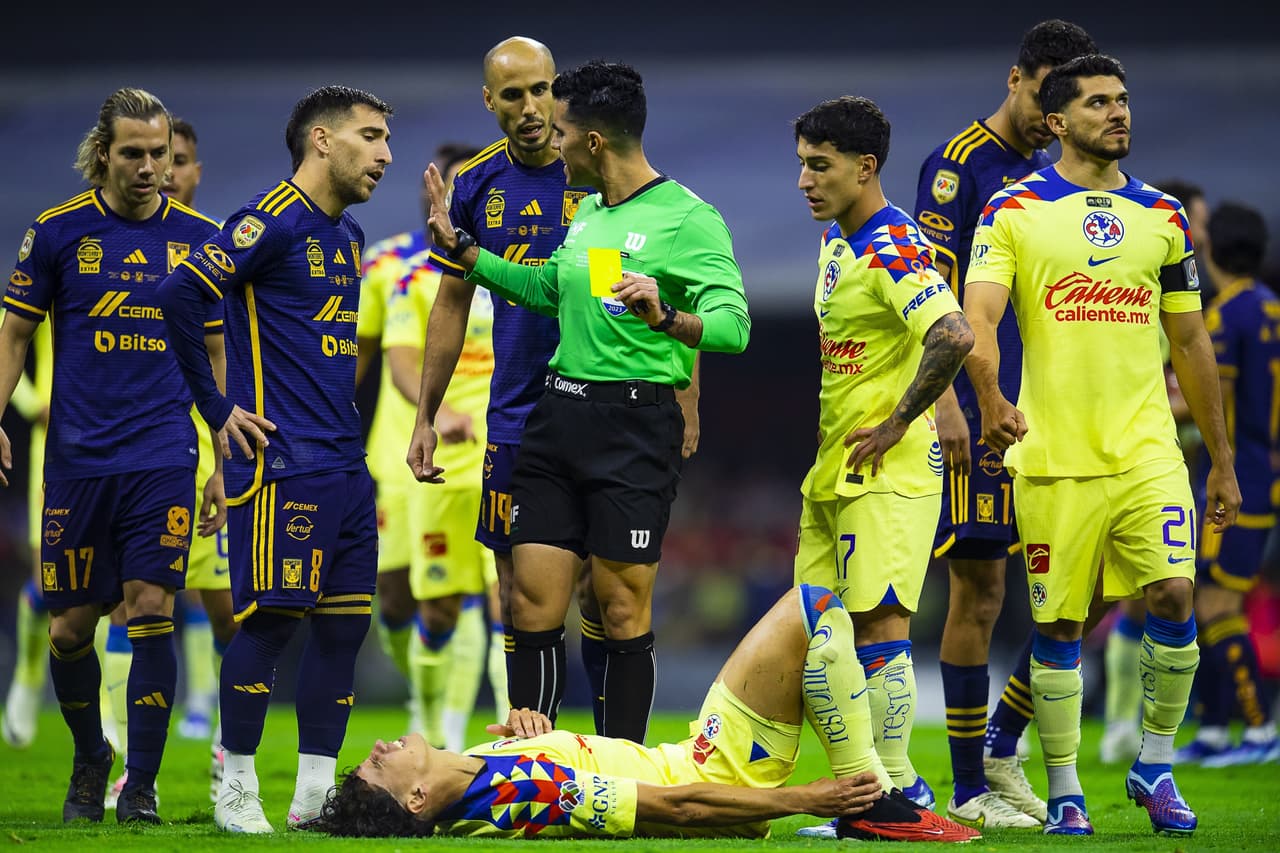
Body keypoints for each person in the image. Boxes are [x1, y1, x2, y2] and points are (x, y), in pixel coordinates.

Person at [410, 58, 747, 745]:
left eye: (562, 131)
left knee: (620, 606)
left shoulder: (688, 219)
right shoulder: (591, 215)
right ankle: (532, 758)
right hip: (556, 418)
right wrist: (466, 253)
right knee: (530, 598)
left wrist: (666, 318)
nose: (550, 142)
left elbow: (733, 324)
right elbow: (549, 292)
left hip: (633, 426)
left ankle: (619, 765)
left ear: (594, 142)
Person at [963, 53, 1242, 836]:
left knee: (1175, 595)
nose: (1118, 113)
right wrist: (990, 399)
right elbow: (977, 314)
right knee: (1060, 625)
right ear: (1057, 122)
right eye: (1097, 103)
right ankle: (1065, 790)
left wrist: (1219, 460)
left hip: (1149, 449)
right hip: (1053, 452)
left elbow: (1189, 339)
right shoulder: (1011, 210)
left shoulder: (1161, 216)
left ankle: (1155, 764)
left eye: (1122, 100)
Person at [158, 84, 393, 833]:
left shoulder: (349, 235)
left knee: (344, 629)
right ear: (322, 140)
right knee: (268, 624)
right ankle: (235, 787)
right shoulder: (269, 221)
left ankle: (315, 794)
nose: (386, 154)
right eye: (371, 136)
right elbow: (177, 293)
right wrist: (217, 408)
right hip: (282, 463)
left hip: (347, 467)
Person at [318, 584, 978, 842]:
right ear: (415, 799)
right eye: (381, 769)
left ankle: (870, 801)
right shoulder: (525, 794)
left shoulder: (483, 775)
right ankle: (870, 803)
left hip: (702, 753)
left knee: (816, 618)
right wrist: (807, 796)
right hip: (721, 775)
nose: (378, 749)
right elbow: (677, 809)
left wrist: (540, 734)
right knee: (817, 609)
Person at [0, 87, 221, 824]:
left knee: (152, 608)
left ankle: (142, 786)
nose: (151, 166)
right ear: (104, 154)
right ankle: (92, 751)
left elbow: (219, 351)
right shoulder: (58, 233)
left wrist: (223, 450)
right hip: (77, 458)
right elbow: (14, 335)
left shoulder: (199, 238)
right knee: (68, 627)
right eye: (134, 153)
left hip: (163, 454)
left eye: (160, 153)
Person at [914, 19, 1096, 828]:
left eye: (1070, 101)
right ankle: (968, 785)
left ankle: (1002, 739)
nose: (1055, 113)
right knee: (982, 589)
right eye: (1046, 92)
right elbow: (934, 294)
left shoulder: (1063, 174)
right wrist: (949, 403)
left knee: (1077, 595)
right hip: (982, 413)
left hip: (1057, 407)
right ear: (1017, 78)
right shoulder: (957, 170)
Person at [789, 95, 974, 838]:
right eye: (802, 163)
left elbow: (954, 333)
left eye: (819, 165)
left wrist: (900, 420)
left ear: (865, 168)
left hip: (889, 469)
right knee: (818, 628)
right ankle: (865, 795)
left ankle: (897, 791)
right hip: (833, 467)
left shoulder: (892, 242)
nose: (803, 179)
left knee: (879, 624)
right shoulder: (838, 240)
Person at [100, 114, 234, 809]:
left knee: (228, 612)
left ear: (194, 170)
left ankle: (226, 748)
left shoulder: (214, 247)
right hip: (138, 456)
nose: (167, 171)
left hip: (202, 451)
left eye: (177, 159)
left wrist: (224, 461)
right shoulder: (106, 242)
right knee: (132, 608)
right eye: (154, 157)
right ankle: (127, 761)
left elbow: (228, 360)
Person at [364, 142, 506, 752]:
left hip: (505, 456)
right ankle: (428, 710)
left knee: (510, 602)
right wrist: (435, 412)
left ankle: (507, 731)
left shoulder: (513, 269)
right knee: (422, 603)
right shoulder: (408, 275)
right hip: (426, 465)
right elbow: (392, 362)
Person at [1099, 178, 1210, 765]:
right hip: (1133, 459)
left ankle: (1153, 733)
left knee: (1169, 594)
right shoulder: (1134, 298)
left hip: (1177, 463)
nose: (1200, 234)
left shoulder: (1187, 299)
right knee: (1132, 599)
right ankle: (1122, 724)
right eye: (1195, 222)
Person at [1173, 201, 1280, 766]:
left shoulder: (1224, 316)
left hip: (1234, 479)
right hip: (1267, 474)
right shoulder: (1271, 308)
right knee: (1207, 596)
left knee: (1216, 604)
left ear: (1211, 246)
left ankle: (1259, 730)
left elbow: (1212, 401)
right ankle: (1215, 729)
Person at [0, 320, 51, 751]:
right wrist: (34, 403)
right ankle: (29, 673)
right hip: (55, 441)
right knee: (49, 583)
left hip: (128, 437)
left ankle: (113, 724)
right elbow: (5, 335)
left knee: (117, 593)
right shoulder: (59, 256)